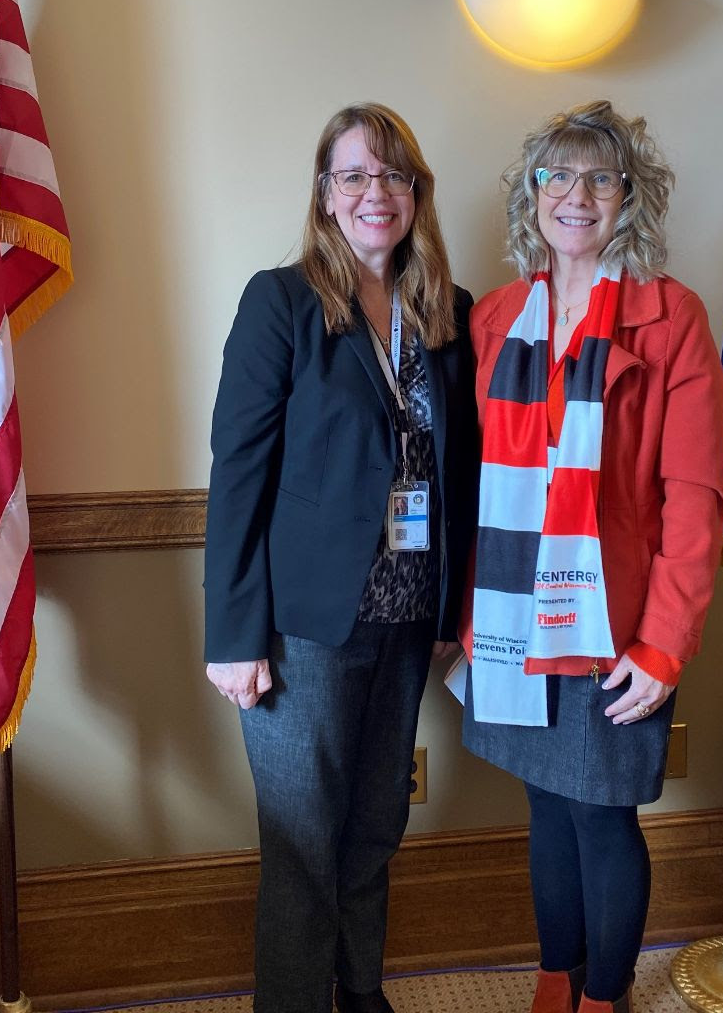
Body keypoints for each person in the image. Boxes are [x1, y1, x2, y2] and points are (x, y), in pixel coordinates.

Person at [204, 103, 477, 1013]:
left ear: (416, 194)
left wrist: (457, 614)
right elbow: (238, 476)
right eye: (354, 175)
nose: (375, 193)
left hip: (406, 626)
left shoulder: (447, 313)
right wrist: (232, 635)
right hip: (302, 632)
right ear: (325, 194)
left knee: (374, 834)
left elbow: (466, 476)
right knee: (301, 849)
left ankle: (363, 999)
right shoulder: (279, 302)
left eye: (393, 176)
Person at [460, 100, 723, 1013]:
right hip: (508, 617)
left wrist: (664, 646)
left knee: (600, 813)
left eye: (601, 178)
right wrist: (466, 624)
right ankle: (552, 981)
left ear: (631, 198)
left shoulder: (672, 318)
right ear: (531, 194)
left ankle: (604, 998)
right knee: (544, 804)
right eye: (557, 176)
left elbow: (694, 498)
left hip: (616, 624)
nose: (577, 196)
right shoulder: (497, 317)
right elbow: (480, 487)